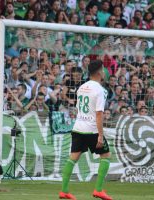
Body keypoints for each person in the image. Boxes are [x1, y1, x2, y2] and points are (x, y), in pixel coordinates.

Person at [59, 60, 112, 200]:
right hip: (92, 129)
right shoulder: (100, 90)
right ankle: (99, 190)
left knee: (73, 158)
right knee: (106, 155)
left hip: (78, 127)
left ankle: (64, 191)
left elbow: (78, 107)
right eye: (104, 69)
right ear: (100, 72)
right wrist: (100, 135)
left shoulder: (82, 87)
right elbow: (99, 113)